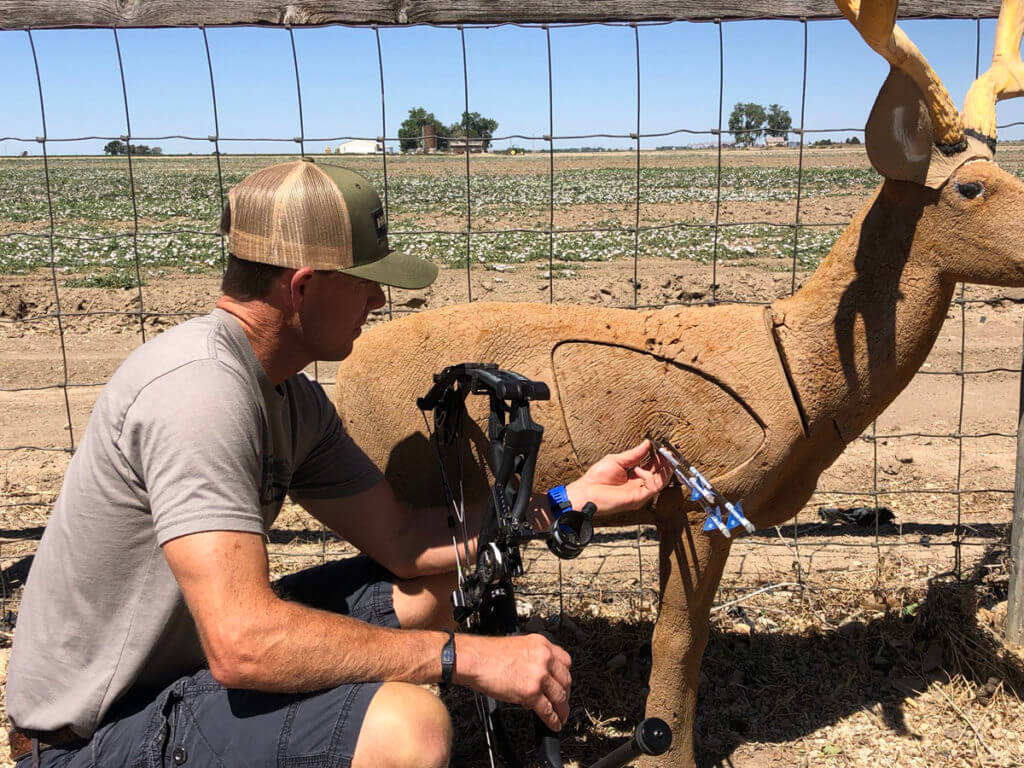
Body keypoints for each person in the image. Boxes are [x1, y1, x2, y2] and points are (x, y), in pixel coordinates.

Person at [5, 158, 671, 768]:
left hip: (186, 674)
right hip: (88, 739)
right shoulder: (198, 393)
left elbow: (409, 542)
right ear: (303, 287)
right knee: (410, 728)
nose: (379, 302)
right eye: (364, 284)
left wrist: (564, 501)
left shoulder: (288, 396)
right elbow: (243, 643)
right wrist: (464, 658)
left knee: (429, 593)